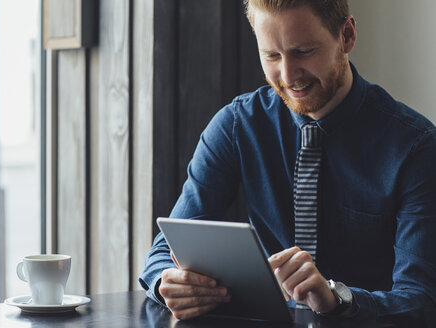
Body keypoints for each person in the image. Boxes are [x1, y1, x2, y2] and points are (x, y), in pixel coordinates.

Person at [139, 0, 436, 324]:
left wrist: (338, 298)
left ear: (347, 36)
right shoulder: (236, 126)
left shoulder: (415, 147)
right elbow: (161, 254)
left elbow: (421, 300)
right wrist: (167, 282)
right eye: (271, 55)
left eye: (304, 51)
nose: (288, 75)